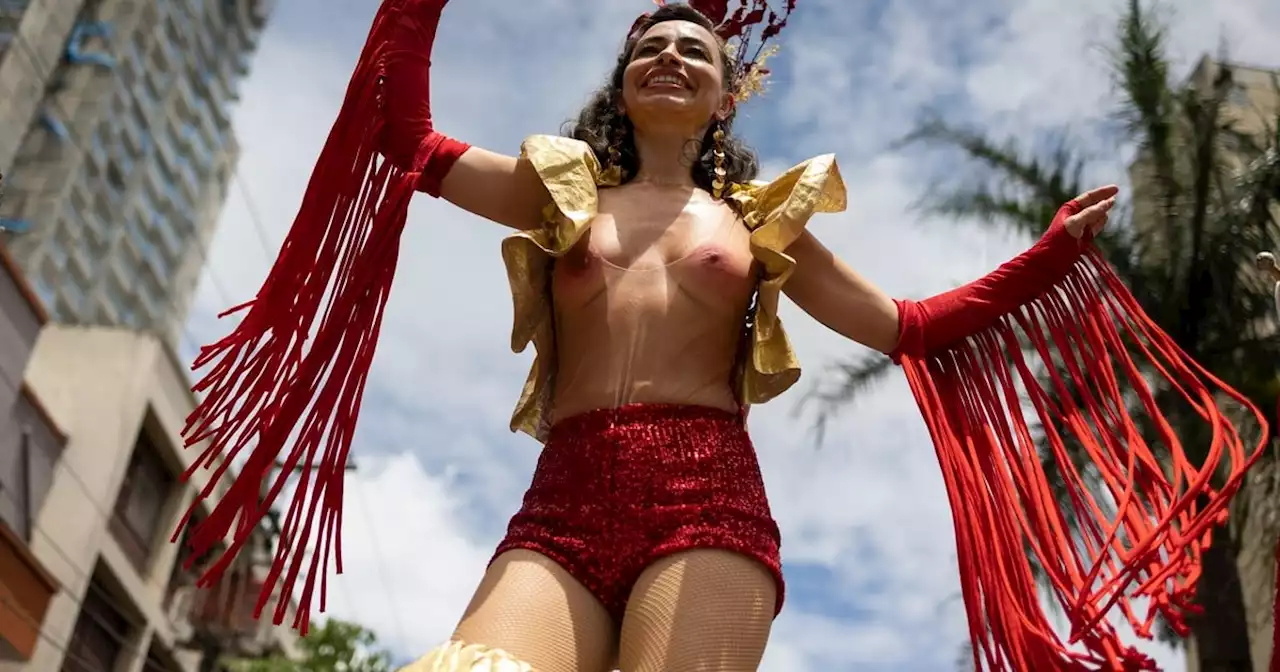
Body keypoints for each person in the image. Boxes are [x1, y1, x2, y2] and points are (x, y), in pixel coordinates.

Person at [173, 1, 1269, 671]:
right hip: (557, 505)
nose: (669, 58)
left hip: (704, 499)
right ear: (622, 85)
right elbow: (404, 134)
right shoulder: (557, 193)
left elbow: (909, 326)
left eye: (693, 51)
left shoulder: (757, 220)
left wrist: (1045, 258)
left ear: (719, 97)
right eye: (649, 45)